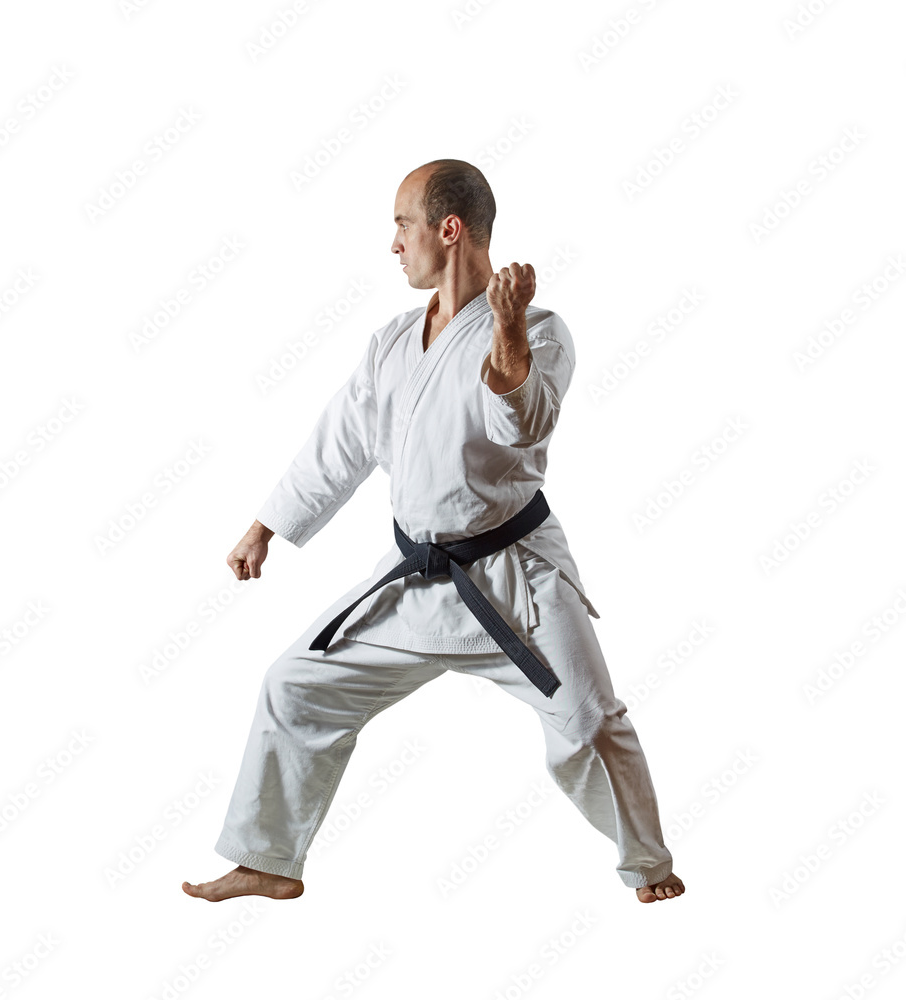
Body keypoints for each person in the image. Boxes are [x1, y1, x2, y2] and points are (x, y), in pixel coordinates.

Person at [182, 159, 685, 905]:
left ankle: (648, 864)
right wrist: (265, 526)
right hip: (417, 579)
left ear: (448, 230)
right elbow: (340, 444)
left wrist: (507, 329)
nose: (393, 245)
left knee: (587, 724)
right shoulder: (392, 341)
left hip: (514, 582)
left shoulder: (541, 329)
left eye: (401, 225)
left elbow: (520, 426)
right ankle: (270, 860)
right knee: (295, 685)